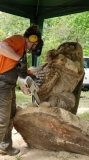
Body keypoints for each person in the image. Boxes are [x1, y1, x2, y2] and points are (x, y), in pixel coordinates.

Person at [0, 24, 43, 156]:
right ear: (32, 38)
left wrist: (31, 74)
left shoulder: (21, 51)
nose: (33, 49)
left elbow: (20, 70)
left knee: (11, 116)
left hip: (9, 85)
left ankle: (5, 147)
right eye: (34, 45)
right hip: (2, 84)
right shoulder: (19, 40)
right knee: (2, 120)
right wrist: (19, 59)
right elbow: (1, 46)